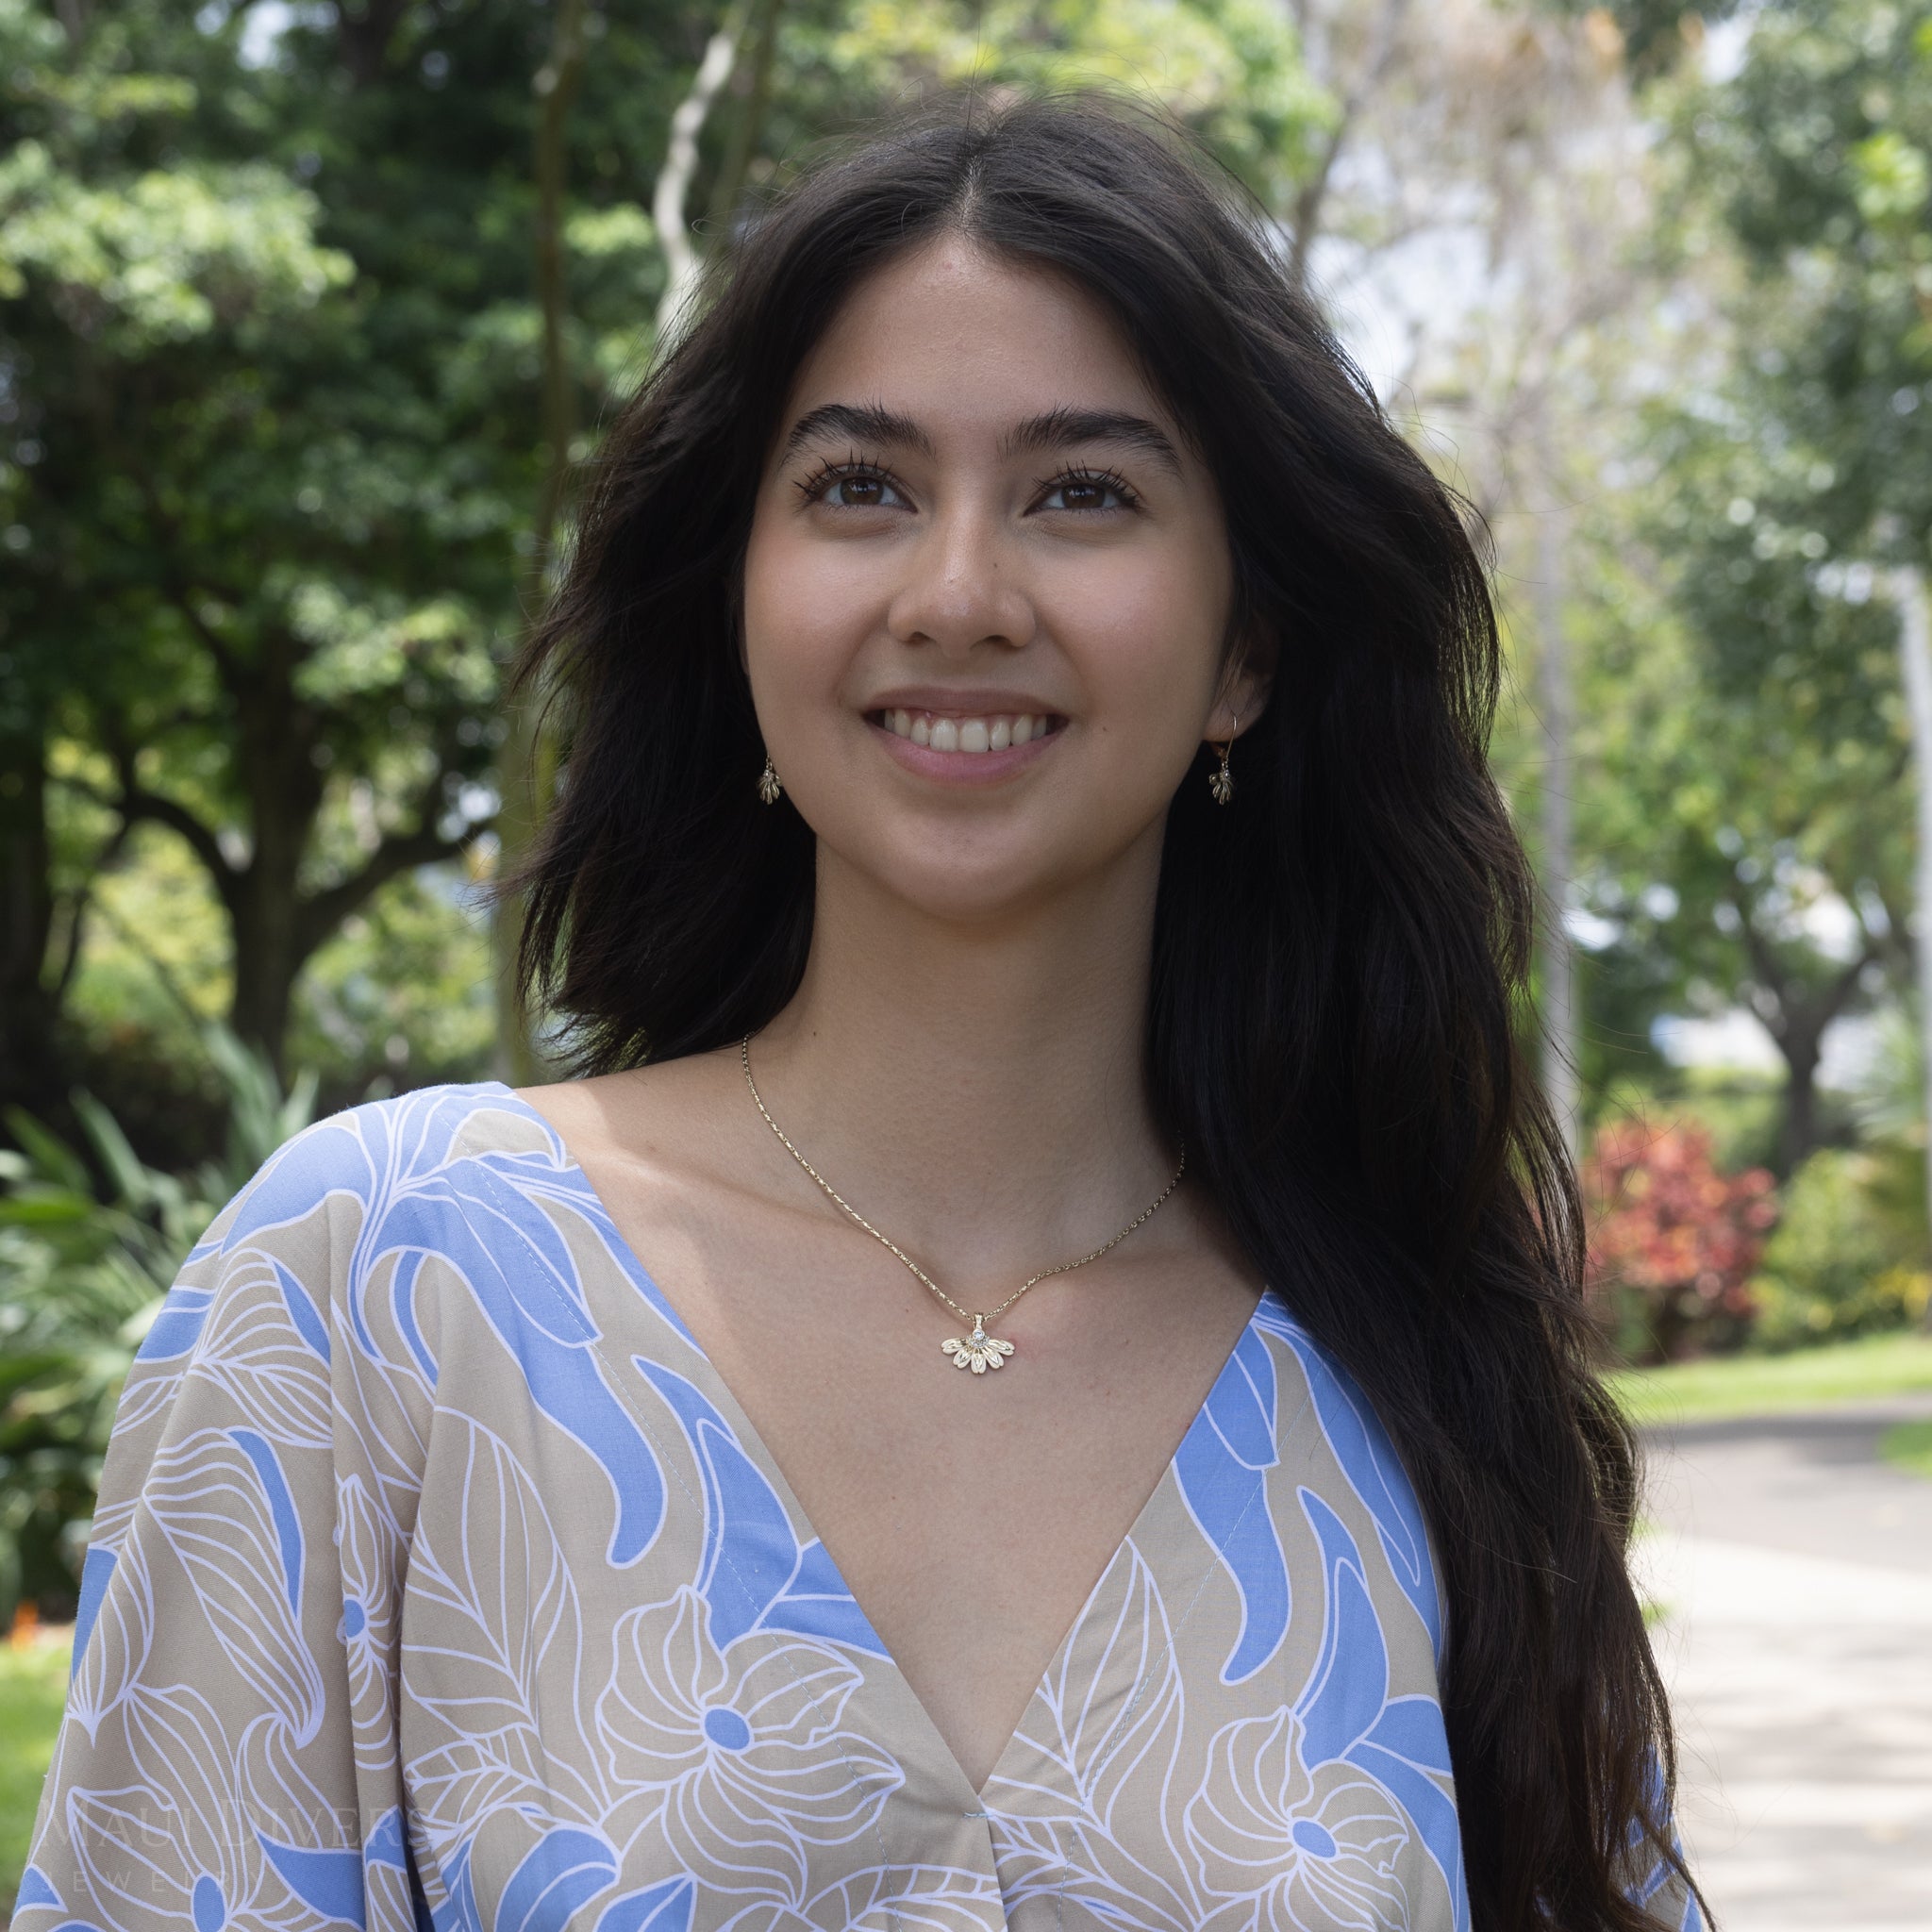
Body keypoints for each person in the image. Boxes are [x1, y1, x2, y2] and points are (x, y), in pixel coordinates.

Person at [19, 95, 1702, 1932]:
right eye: (858, 488)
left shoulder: (1410, 1361)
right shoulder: (385, 1287)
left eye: (1082, 492)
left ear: (1245, 651)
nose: (958, 592)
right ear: (739, 597)